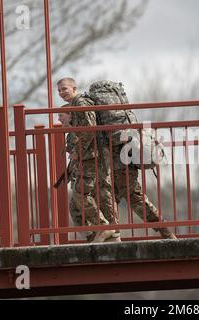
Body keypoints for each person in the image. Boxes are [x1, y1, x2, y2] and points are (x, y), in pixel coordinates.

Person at [90, 80, 177, 241]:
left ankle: (163, 231)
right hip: (125, 153)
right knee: (114, 196)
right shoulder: (115, 108)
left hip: (114, 156)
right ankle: (114, 235)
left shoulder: (91, 102)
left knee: (128, 196)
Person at [57, 79, 115, 243]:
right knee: (80, 199)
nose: (61, 93)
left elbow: (89, 130)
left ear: (74, 88)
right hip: (91, 156)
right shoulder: (76, 104)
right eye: (59, 91)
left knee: (81, 193)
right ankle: (99, 235)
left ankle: (105, 228)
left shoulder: (80, 103)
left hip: (91, 156)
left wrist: (78, 151)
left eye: (64, 89)